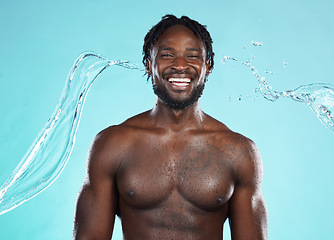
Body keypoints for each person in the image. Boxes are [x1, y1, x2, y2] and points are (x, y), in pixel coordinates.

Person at [73, 14, 268, 240]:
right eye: (167, 55)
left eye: (193, 56)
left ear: (208, 66)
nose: (180, 65)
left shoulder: (238, 151)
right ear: (149, 64)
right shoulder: (113, 144)